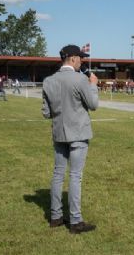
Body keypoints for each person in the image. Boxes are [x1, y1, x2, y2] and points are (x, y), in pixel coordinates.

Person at [42, 44, 99, 234]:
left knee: (58, 174)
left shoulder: (48, 81)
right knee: (75, 176)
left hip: (59, 133)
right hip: (78, 134)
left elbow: (46, 113)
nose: (82, 61)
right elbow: (93, 104)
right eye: (80, 58)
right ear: (73, 58)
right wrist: (93, 86)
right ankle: (75, 221)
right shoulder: (80, 79)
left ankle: (55, 216)